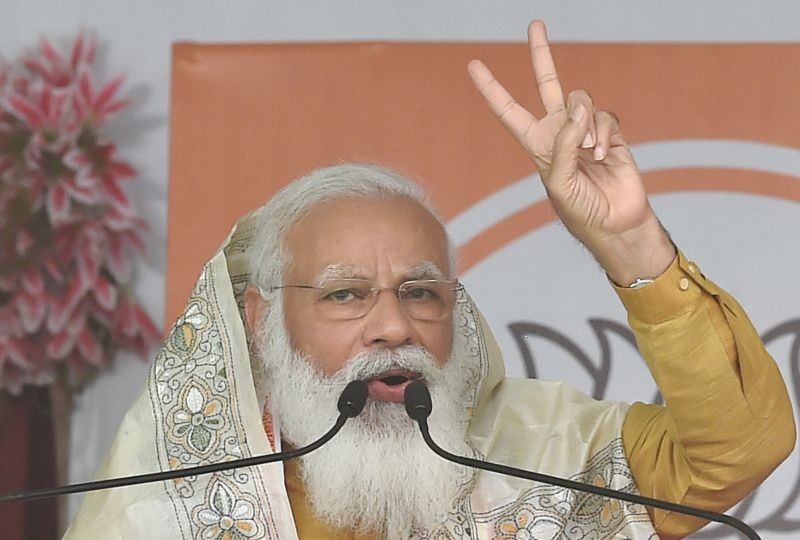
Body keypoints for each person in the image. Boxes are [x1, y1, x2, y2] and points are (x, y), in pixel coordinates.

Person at [65, 20, 794, 540]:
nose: (393, 326)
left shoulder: (536, 456)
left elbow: (737, 448)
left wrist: (631, 242)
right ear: (263, 319)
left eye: (420, 292)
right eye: (345, 294)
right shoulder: (163, 506)